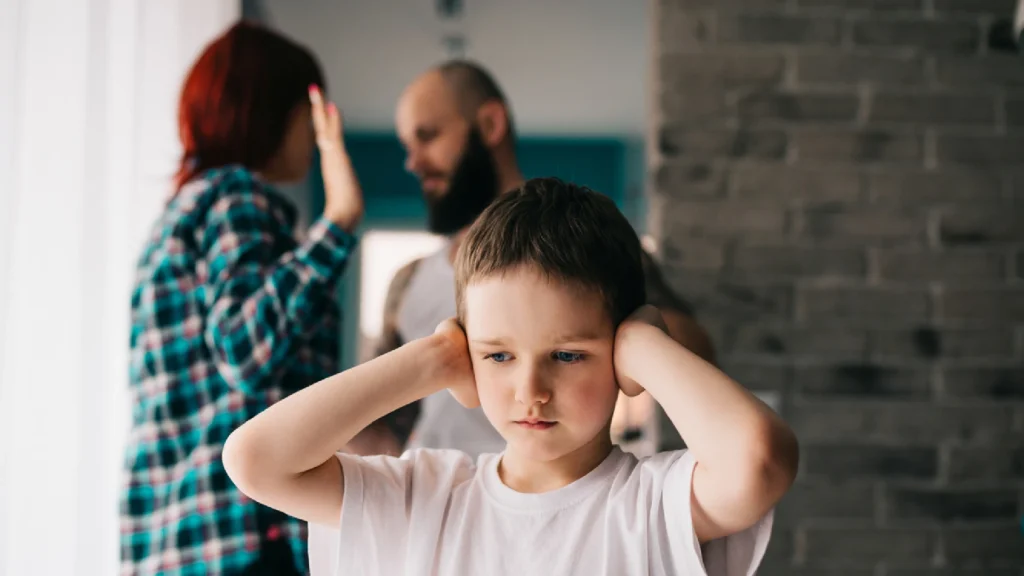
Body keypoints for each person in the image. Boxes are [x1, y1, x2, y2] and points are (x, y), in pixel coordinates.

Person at [223, 177, 799, 576]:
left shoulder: (654, 505)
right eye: (498, 356)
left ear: (620, 353)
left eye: (568, 355)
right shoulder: (426, 498)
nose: (531, 391)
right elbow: (255, 460)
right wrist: (431, 360)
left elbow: (761, 460)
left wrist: (645, 344)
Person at [358, 60, 716, 458]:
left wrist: (616, 338)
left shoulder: (584, 248)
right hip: (439, 501)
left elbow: (695, 349)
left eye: (428, 137)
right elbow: (382, 425)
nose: (413, 162)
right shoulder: (407, 281)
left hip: (545, 494)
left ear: (491, 124)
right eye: (408, 146)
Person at [120, 21, 375, 576]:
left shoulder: (175, 221)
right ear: (276, 113)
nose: (313, 133)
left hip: (177, 542)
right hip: (245, 535)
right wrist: (340, 220)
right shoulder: (236, 198)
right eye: (309, 114)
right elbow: (245, 348)